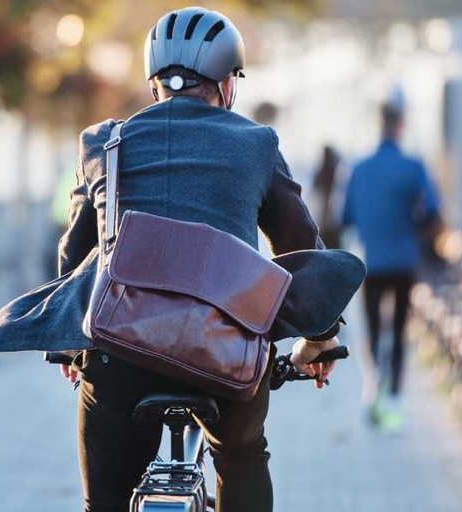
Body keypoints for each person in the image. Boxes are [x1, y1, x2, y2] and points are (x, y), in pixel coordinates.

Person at [55, 8, 344, 512]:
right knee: (241, 455)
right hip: (226, 352)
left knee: (104, 502)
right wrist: (319, 339)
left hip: (120, 352)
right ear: (228, 85)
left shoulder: (104, 143)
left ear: (154, 86)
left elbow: (75, 255)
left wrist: (68, 346)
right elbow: (300, 250)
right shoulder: (256, 144)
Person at [342, 96, 441, 431]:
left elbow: (346, 216)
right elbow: (432, 212)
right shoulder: (414, 167)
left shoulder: (359, 169)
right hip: (404, 260)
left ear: (379, 124)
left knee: (372, 329)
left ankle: (373, 386)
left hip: (370, 261)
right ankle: (395, 400)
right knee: (398, 331)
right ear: (401, 126)